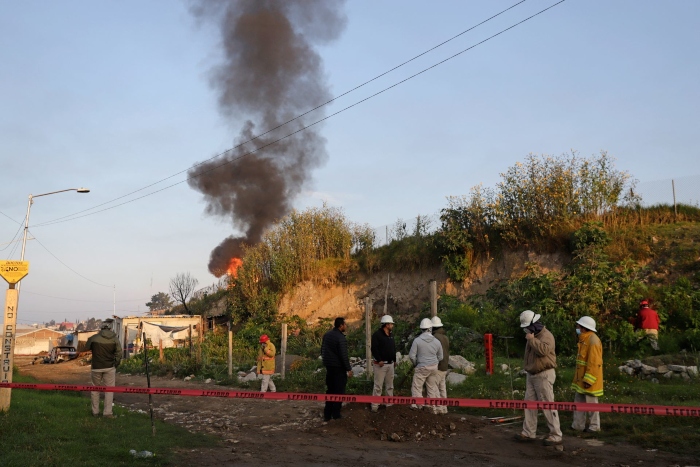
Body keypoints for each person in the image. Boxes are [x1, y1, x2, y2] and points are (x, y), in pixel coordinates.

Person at [513, 310, 563, 446]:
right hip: (532, 374)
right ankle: (529, 432)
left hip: (544, 374)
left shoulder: (546, 336)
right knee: (529, 404)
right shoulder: (533, 336)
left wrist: (532, 340)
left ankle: (556, 435)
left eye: (527, 327)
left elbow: (543, 351)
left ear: (534, 324)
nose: (526, 330)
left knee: (547, 405)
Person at [571, 316, 603, 433]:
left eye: (579, 326)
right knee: (578, 403)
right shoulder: (584, 339)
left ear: (584, 327)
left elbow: (594, 363)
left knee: (592, 405)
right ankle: (577, 425)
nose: (577, 328)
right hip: (580, 379)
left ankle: (594, 427)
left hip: (589, 380)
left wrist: (589, 380)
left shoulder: (593, 340)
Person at [86, 322, 121, 418]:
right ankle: (107, 413)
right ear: (110, 329)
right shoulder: (115, 339)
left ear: (101, 329)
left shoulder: (94, 338)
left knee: (95, 389)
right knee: (109, 390)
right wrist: (115, 364)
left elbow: (85, 347)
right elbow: (119, 353)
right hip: (109, 367)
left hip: (96, 367)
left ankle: (95, 412)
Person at [321, 317, 352, 421]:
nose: (346, 326)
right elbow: (343, 355)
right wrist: (348, 368)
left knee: (330, 391)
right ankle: (336, 415)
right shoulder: (340, 338)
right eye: (345, 324)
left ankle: (327, 415)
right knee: (339, 392)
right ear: (341, 325)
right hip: (339, 369)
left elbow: (323, 350)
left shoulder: (327, 335)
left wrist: (326, 363)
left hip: (329, 368)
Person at [408, 318, 443, 412]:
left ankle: (419, 406)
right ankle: (432, 407)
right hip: (434, 367)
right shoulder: (436, 342)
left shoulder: (417, 341)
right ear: (430, 328)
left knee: (417, 387)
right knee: (431, 387)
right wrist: (434, 362)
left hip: (422, 367)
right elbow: (441, 357)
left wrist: (416, 363)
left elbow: (411, 356)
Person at [370, 315, 396, 413]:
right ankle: (375, 405)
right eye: (391, 324)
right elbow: (374, 348)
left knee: (390, 385)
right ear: (386, 324)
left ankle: (389, 403)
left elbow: (393, 348)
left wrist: (394, 360)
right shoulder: (377, 335)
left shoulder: (391, 335)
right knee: (378, 385)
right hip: (380, 365)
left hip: (390, 364)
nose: (392, 326)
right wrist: (379, 359)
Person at [431, 316, 450, 415]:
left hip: (438, 366)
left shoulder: (434, 338)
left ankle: (439, 409)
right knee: (442, 388)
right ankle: (444, 408)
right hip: (445, 366)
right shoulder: (445, 337)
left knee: (434, 388)